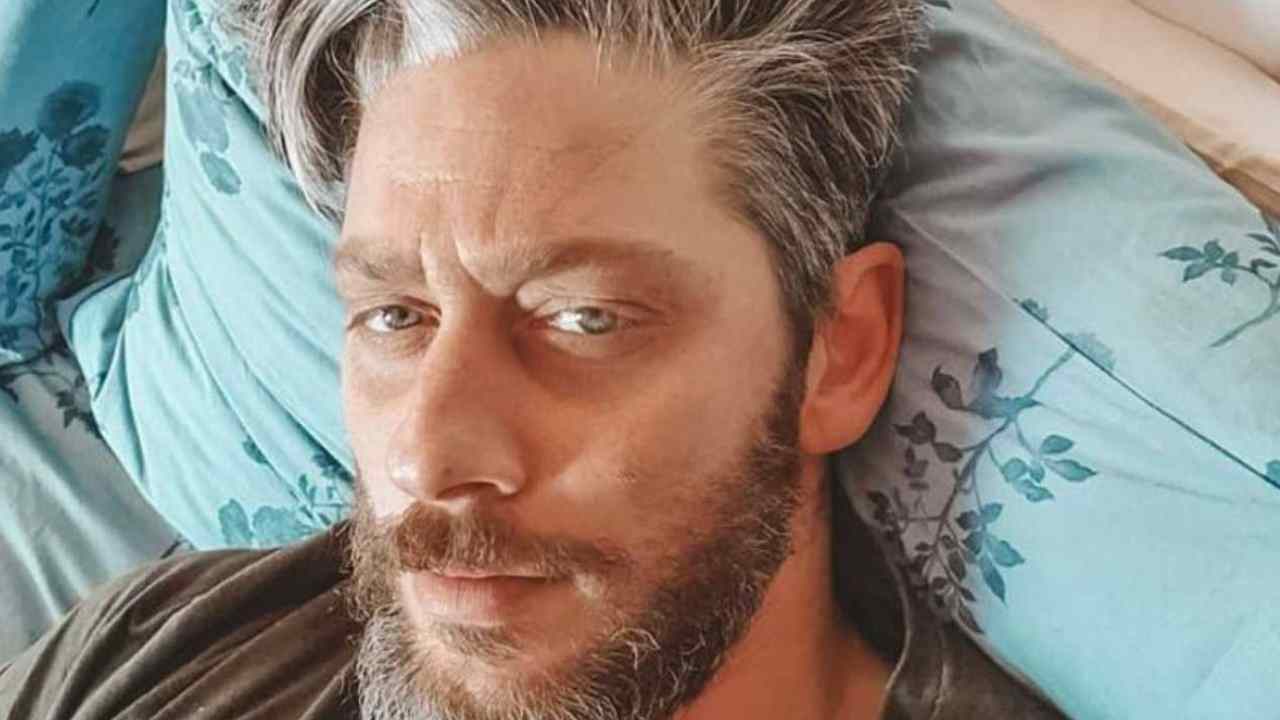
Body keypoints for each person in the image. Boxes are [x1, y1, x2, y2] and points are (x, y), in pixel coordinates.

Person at [0, 0, 1066, 717]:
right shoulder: (148, 652)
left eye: (584, 319)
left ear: (840, 352)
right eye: (395, 315)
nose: (425, 456)